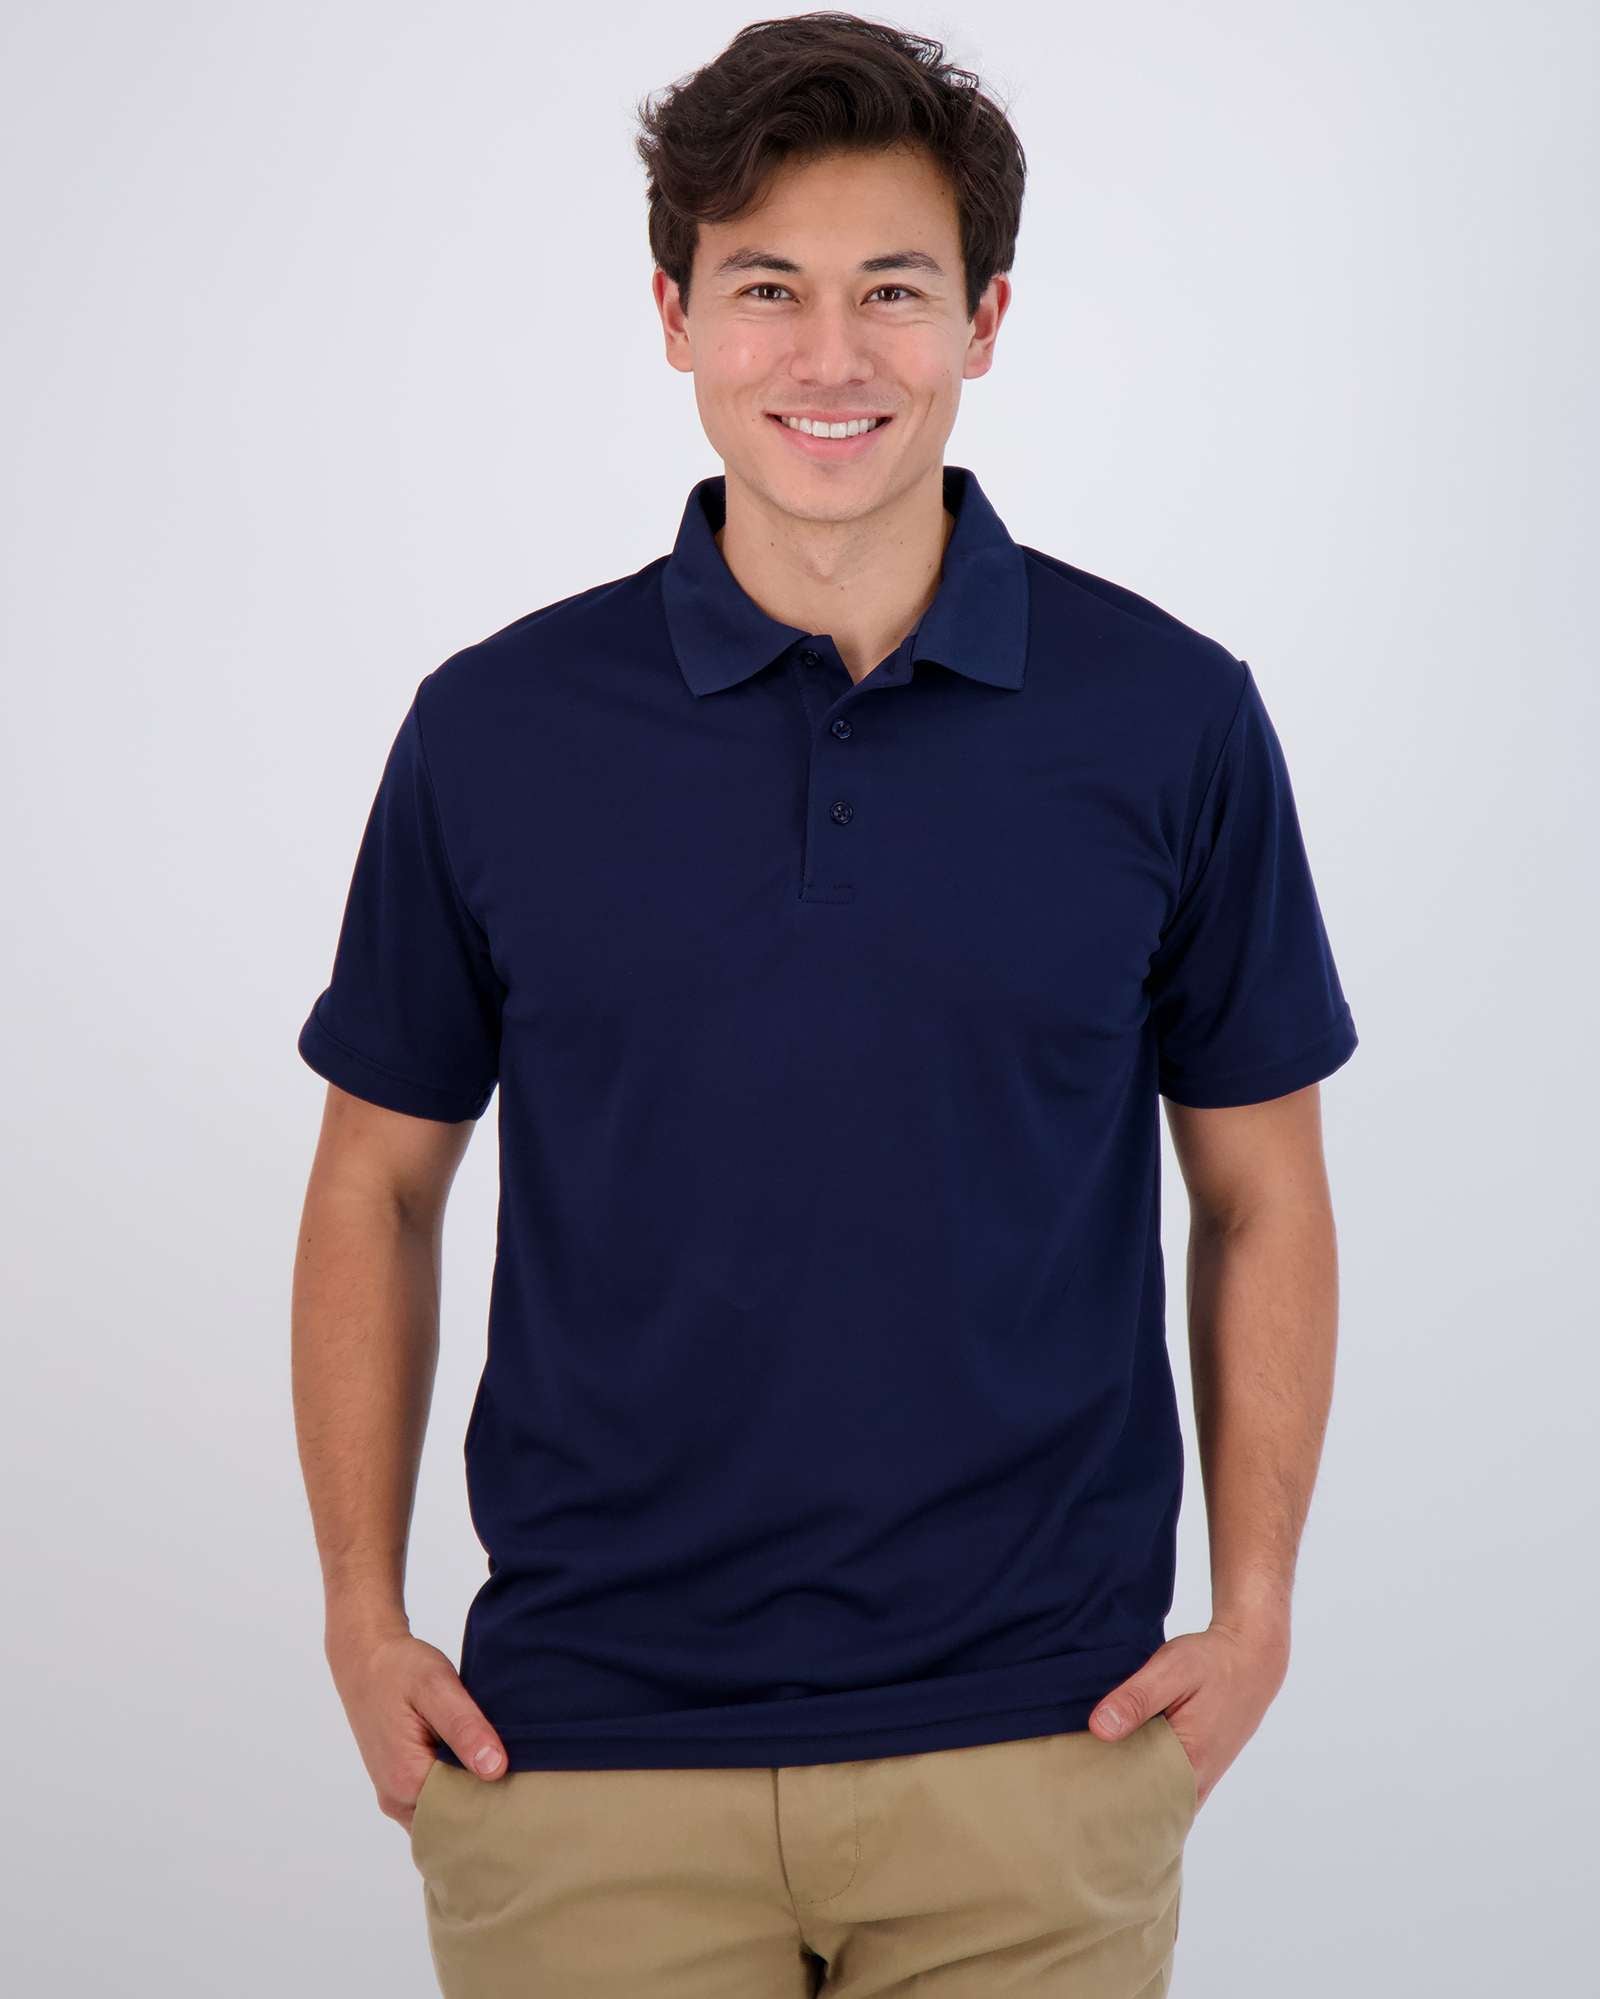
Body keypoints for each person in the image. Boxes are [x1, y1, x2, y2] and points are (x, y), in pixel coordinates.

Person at [291, 14, 1358, 1995]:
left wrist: (1261, 1607)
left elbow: (1259, 1188)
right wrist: (361, 1621)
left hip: (1038, 1749)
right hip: (579, 1762)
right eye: (766, 288)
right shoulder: (495, 731)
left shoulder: (1169, 718)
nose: (830, 354)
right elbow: (376, 1181)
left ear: (985, 321)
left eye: (893, 290)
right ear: (675, 318)